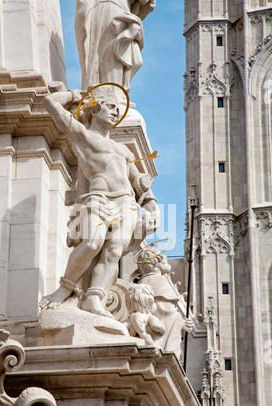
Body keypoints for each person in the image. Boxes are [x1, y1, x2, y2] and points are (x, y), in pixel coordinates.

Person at [39, 84, 159, 318]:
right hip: (98, 199)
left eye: (117, 109)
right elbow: (50, 103)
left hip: (127, 203)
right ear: (94, 110)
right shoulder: (83, 136)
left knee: (113, 251)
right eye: (110, 107)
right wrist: (77, 96)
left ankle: (94, 297)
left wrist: (152, 205)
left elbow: (139, 184)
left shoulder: (123, 149)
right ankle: (64, 289)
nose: (115, 112)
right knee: (93, 243)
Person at [75, 0, 156, 92]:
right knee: (112, 55)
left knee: (132, 59)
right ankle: (108, 94)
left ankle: (114, 93)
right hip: (109, 10)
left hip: (123, 12)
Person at [136, 246, 193, 358]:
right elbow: (167, 314)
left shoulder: (141, 283)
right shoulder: (160, 282)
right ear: (156, 263)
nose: (166, 257)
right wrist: (182, 323)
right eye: (162, 257)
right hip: (161, 347)